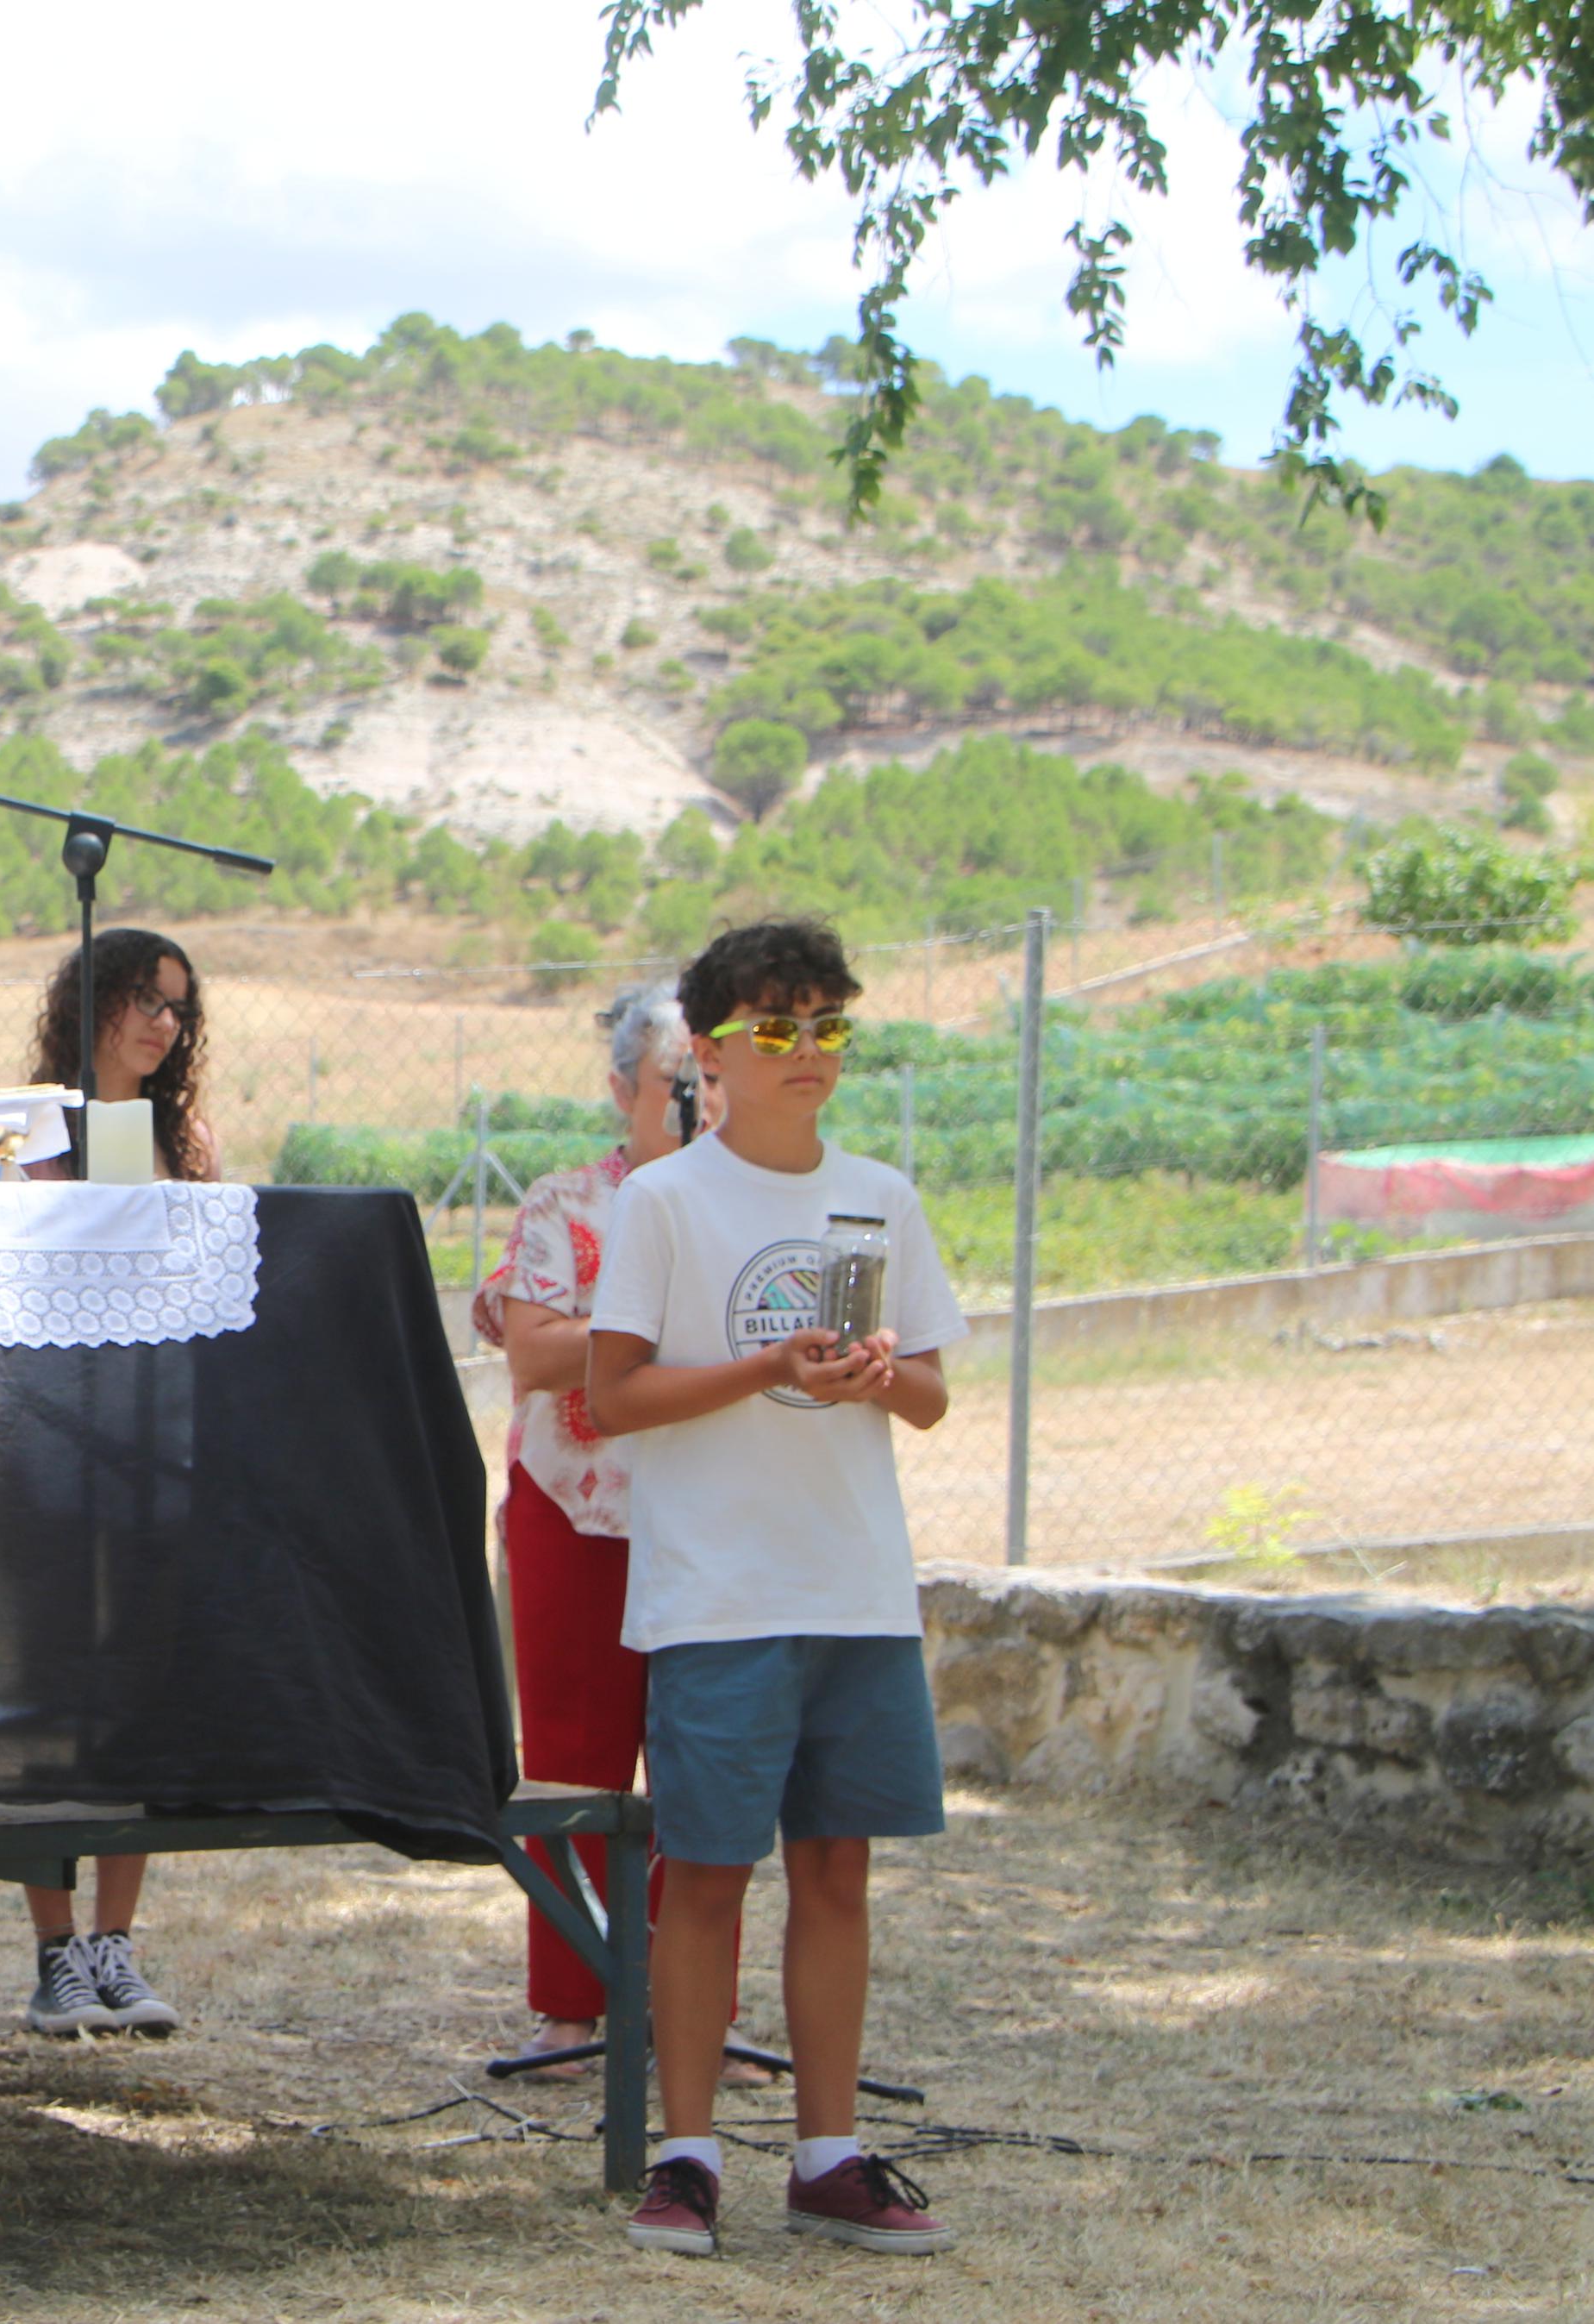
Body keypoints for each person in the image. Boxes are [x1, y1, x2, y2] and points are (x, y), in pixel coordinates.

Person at [587, 918, 964, 2259]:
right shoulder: (665, 1199)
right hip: (716, 1595)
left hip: (851, 1586)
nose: (806, 1052)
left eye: (826, 1025)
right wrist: (763, 1370)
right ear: (709, 1051)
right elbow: (608, 1391)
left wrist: (869, 1375)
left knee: (836, 1869)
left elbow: (920, 1391)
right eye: (774, 1028)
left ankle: (826, 2151)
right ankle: (684, 2157)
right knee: (700, 1874)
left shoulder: (876, 1194)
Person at [471, 981, 759, 2084]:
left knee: (704, 1765)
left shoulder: (748, 1204)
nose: (699, 1106)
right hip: (574, 1510)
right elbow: (536, 1353)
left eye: (713, 1085)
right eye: (678, 1086)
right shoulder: (565, 1202)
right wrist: (659, 1340)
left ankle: (696, 2009)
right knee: (574, 1759)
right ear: (623, 1090)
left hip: (712, 1509)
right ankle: (569, 2004)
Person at [14, 928, 213, 2035]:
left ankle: (115, 1943)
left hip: (150, 1438)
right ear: (92, 1001)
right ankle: (53, 1952)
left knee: (136, 1686)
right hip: (42, 1439)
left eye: (176, 1006)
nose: (159, 1021)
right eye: (141, 996)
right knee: (48, 1689)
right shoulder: (32, 1126)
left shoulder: (185, 1140)